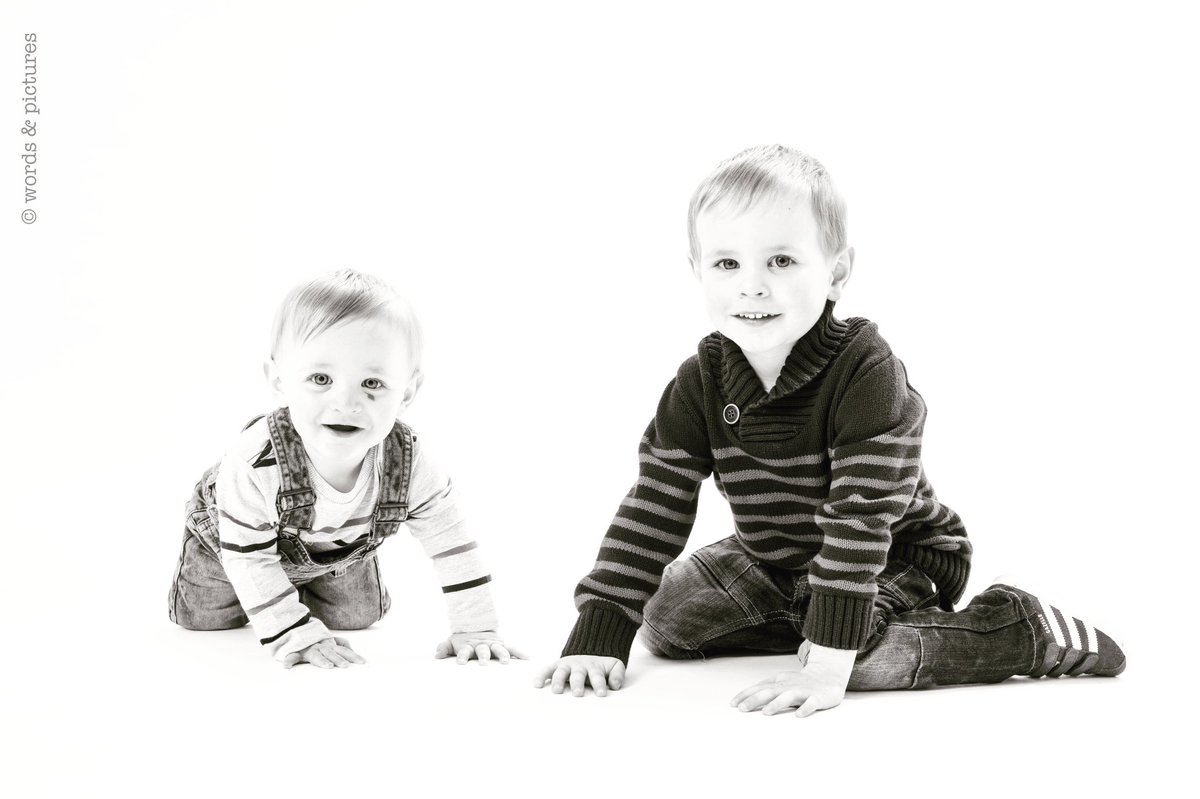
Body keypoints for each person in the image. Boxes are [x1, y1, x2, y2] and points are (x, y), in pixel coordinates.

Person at [535, 145, 1124, 715]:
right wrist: (601, 627)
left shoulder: (867, 372)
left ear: (836, 272)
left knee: (858, 658)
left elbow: (861, 513)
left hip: (896, 554)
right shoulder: (701, 380)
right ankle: (810, 619)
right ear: (698, 273)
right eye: (727, 263)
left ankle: (1014, 626)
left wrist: (830, 657)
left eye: (782, 261)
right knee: (666, 618)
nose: (753, 285)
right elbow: (654, 504)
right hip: (778, 559)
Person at [169, 269, 521, 669]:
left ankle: (287, 594)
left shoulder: (408, 460)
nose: (347, 402)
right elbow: (247, 557)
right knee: (203, 620)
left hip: (338, 551)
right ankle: (278, 602)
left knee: (357, 619)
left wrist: (476, 627)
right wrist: (294, 634)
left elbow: (451, 542)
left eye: (372, 383)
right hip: (231, 543)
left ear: (406, 391)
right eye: (321, 378)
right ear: (280, 380)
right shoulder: (253, 461)